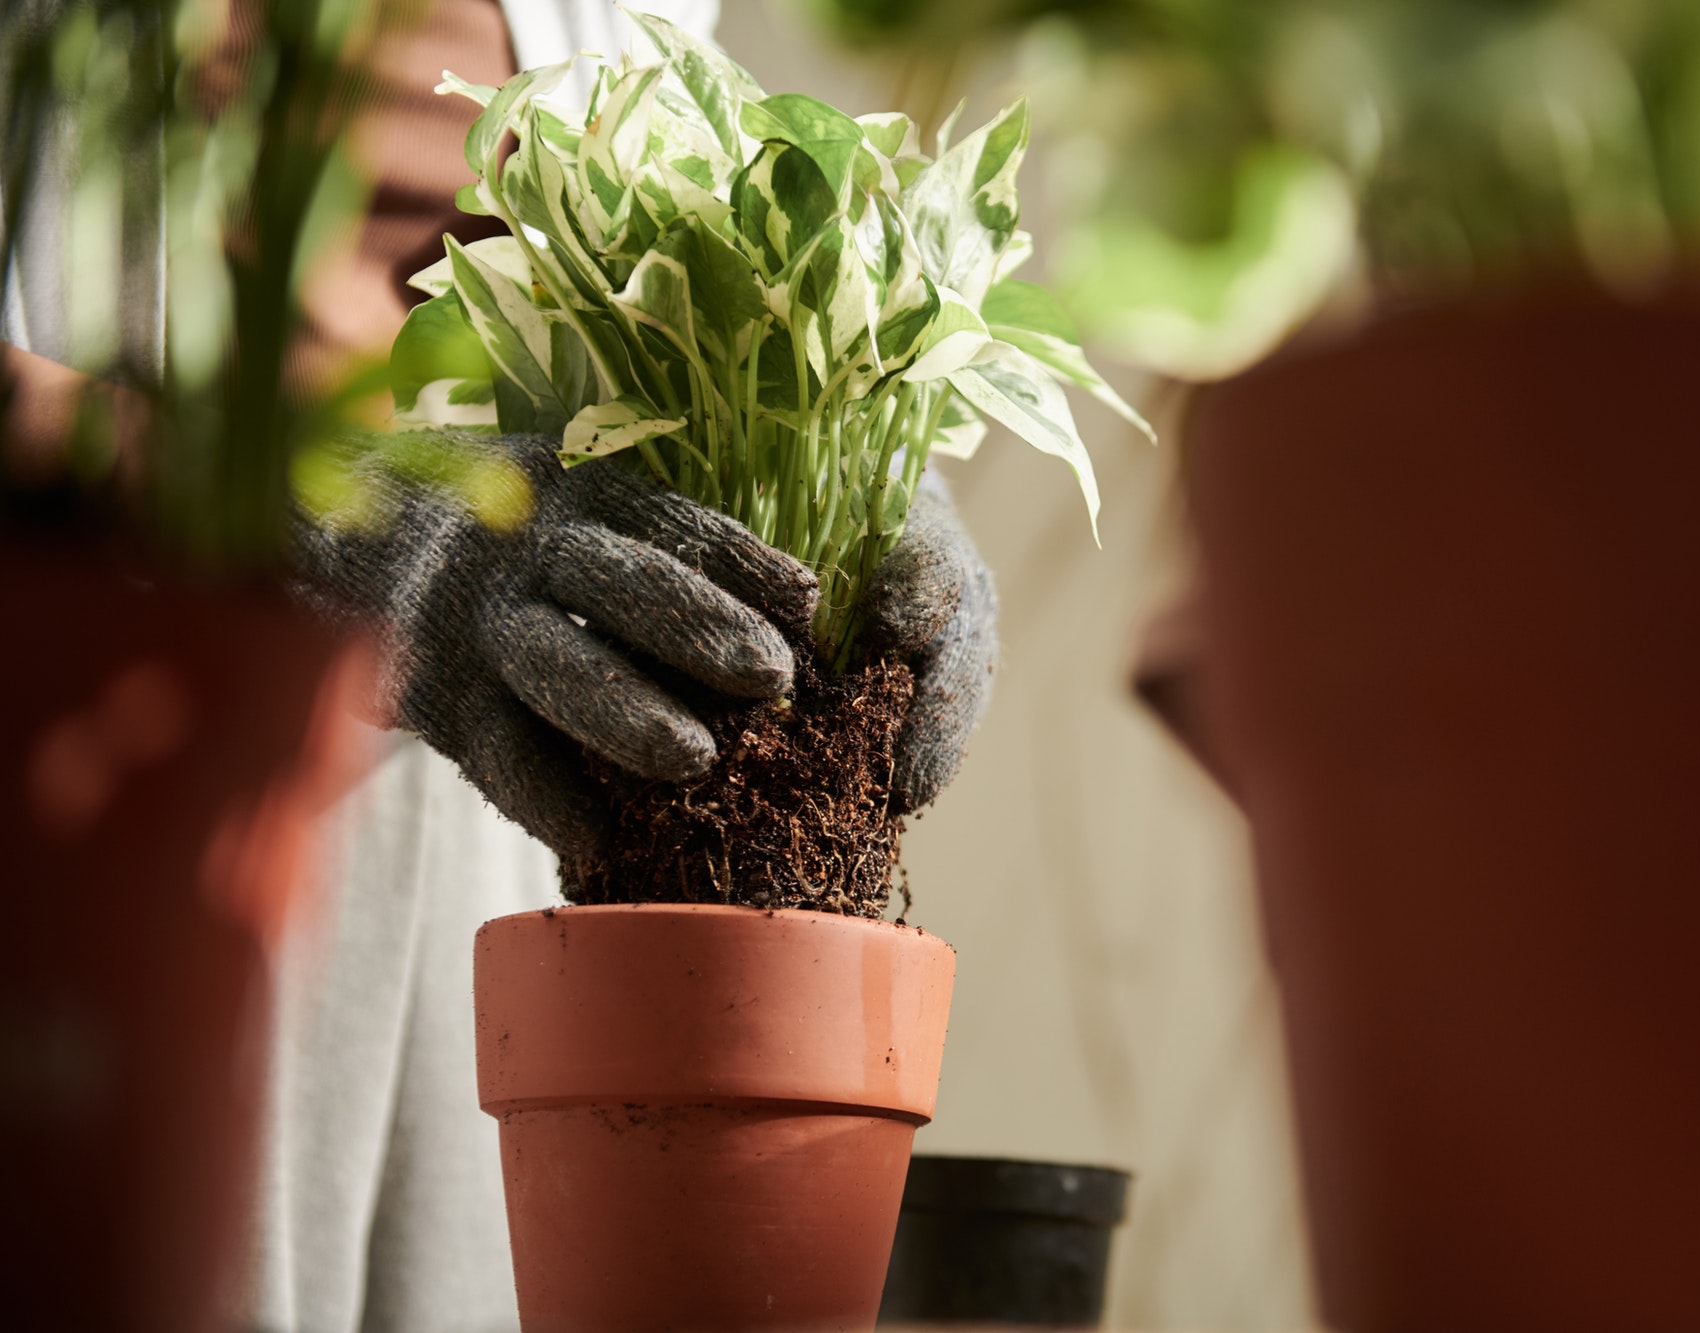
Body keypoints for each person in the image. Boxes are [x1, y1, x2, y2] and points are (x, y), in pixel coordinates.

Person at [4, 2, 996, 1330]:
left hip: (509, 801)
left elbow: (676, 223)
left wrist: (865, 465)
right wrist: (350, 538)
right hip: (98, 778)